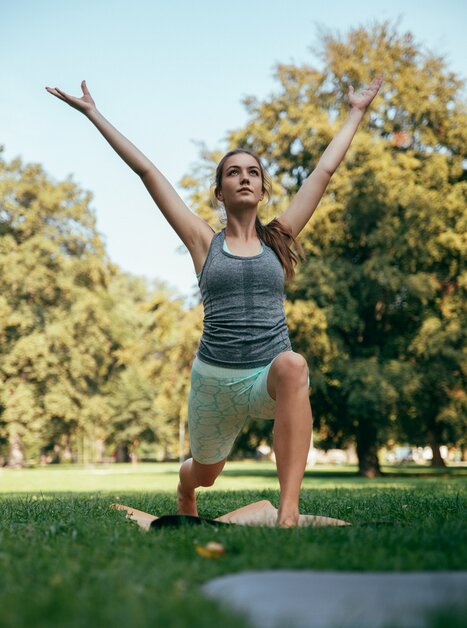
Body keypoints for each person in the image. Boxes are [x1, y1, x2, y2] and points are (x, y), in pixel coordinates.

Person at [46, 76, 383, 526]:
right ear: (220, 192)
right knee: (205, 474)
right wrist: (94, 114)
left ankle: (288, 509)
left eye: (253, 173)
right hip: (215, 380)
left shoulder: (279, 239)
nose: (244, 178)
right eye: (233, 172)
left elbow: (323, 172)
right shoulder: (204, 242)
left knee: (294, 365)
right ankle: (186, 486)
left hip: (267, 373)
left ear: (262, 190)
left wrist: (356, 112)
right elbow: (148, 173)